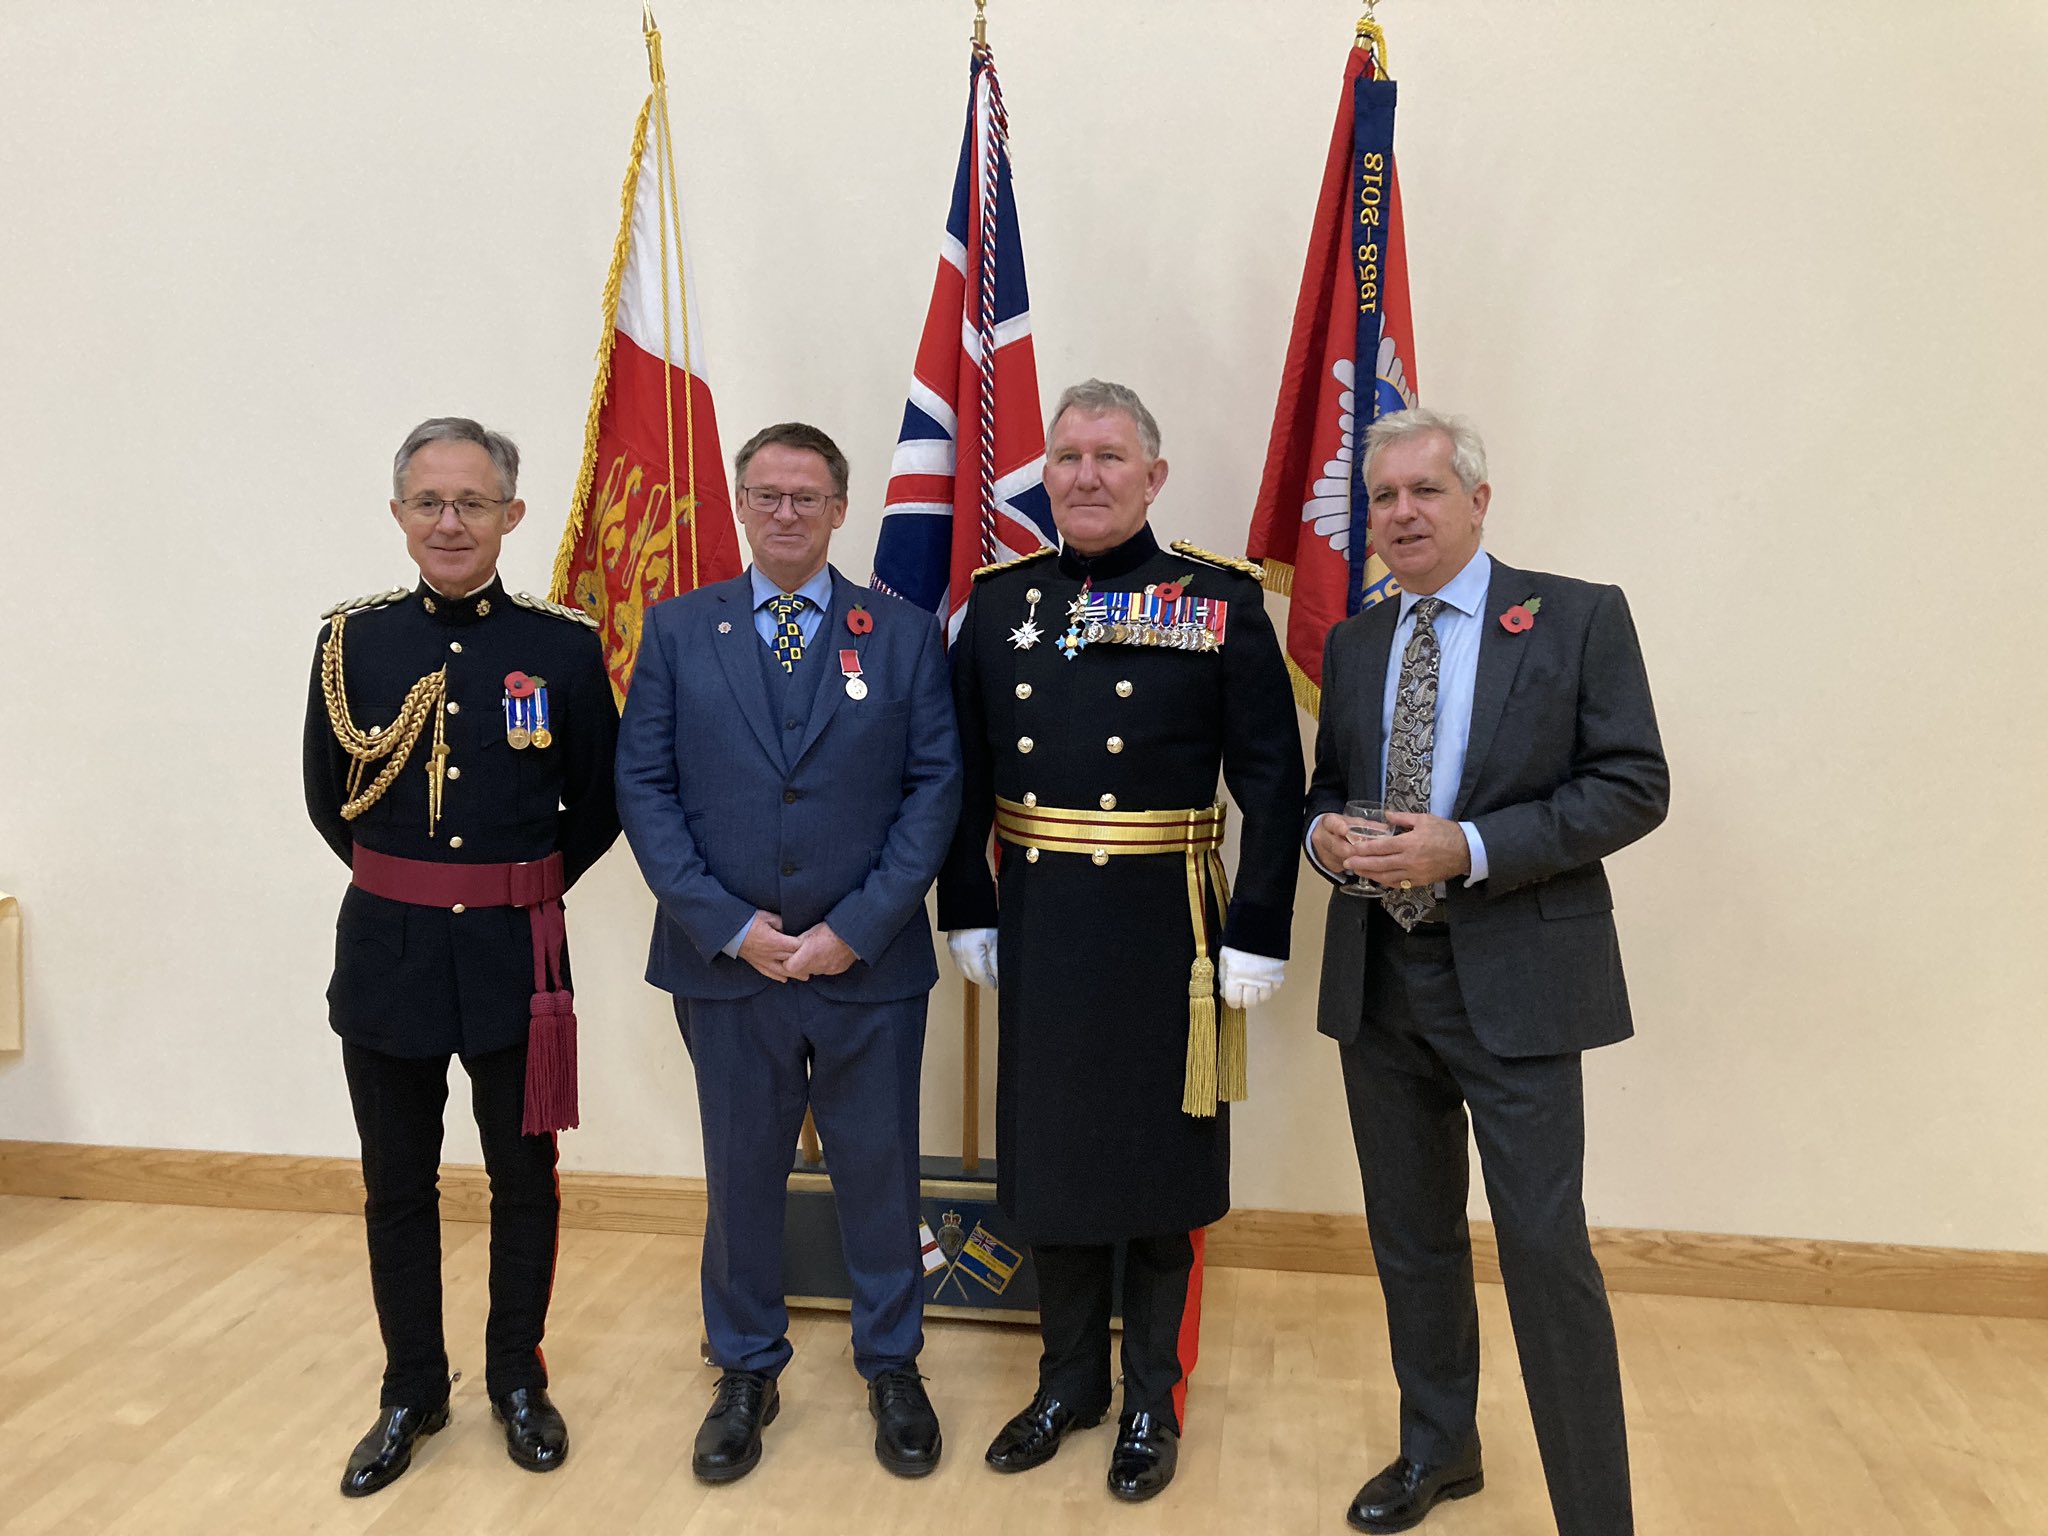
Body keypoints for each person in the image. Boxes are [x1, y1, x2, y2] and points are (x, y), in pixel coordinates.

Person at [1303, 407, 1668, 1535]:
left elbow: (1631, 784)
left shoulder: (1572, 618)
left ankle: (1592, 1514)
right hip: (1381, 985)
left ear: (1476, 500)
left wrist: (1463, 847)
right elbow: (1329, 788)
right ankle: (1437, 1450)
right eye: (1382, 498)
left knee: (1542, 1250)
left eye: (1423, 491)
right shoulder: (1357, 641)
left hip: (1514, 985)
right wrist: (1323, 835)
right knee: (1408, 1237)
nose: (1401, 514)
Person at [938, 379, 1304, 1502]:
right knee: (1048, 1158)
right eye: (1065, 457)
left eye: (1107, 457)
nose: (1084, 476)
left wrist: (1257, 927)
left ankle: (1148, 1393)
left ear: (1152, 475)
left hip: (1168, 930)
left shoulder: (1217, 598)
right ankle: (1066, 1385)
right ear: (1042, 477)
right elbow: (961, 777)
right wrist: (965, 901)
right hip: (1043, 919)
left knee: (1155, 1165)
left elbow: (1272, 782)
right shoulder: (999, 604)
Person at [614, 422, 961, 1484]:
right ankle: (745, 1364)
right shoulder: (677, 632)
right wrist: (732, 926)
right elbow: (646, 790)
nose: (785, 514)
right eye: (765, 494)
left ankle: (891, 1363)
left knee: (878, 1170)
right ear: (738, 501)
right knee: (741, 1173)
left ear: (840, 508)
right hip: (726, 966)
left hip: (870, 964)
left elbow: (933, 787)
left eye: (806, 496)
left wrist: (854, 927)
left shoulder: (899, 634)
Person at [304, 416, 620, 1497]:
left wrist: (507, 890)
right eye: (429, 503)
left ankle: (515, 1381)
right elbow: (325, 800)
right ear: (398, 516)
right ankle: (411, 1389)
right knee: (397, 1184)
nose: (450, 522)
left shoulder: (563, 647)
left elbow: (601, 804)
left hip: (515, 958)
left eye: (472, 503)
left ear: (510, 516)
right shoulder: (350, 642)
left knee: (523, 1180)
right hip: (387, 956)